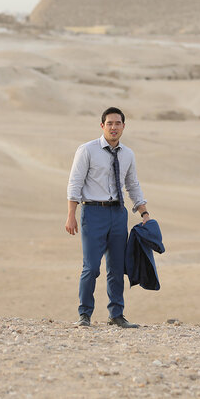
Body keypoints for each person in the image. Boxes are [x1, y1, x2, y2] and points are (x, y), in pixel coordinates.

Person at [66, 107, 150, 328]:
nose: (114, 127)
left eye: (118, 123)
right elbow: (74, 183)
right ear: (102, 126)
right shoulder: (87, 150)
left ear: (124, 126)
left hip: (118, 213)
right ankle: (84, 314)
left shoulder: (128, 154)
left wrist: (144, 212)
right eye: (110, 123)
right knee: (91, 267)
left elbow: (133, 185)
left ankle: (116, 314)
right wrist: (71, 215)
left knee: (116, 267)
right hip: (93, 213)